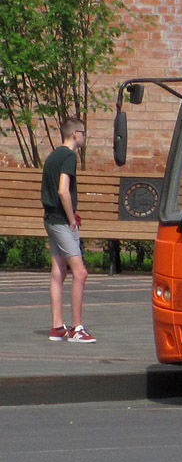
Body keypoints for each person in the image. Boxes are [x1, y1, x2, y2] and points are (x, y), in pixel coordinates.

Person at [41, 116, 96, 343]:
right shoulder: (69, 156)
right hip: (62, 222)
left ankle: (57, 327)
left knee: (58, 272)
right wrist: (71, 218)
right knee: (80, 273)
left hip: (50, 219)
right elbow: (63, 190)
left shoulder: (53, 155)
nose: (84, 136)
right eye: (83, 132)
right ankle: (77, 328)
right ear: (75, 134)